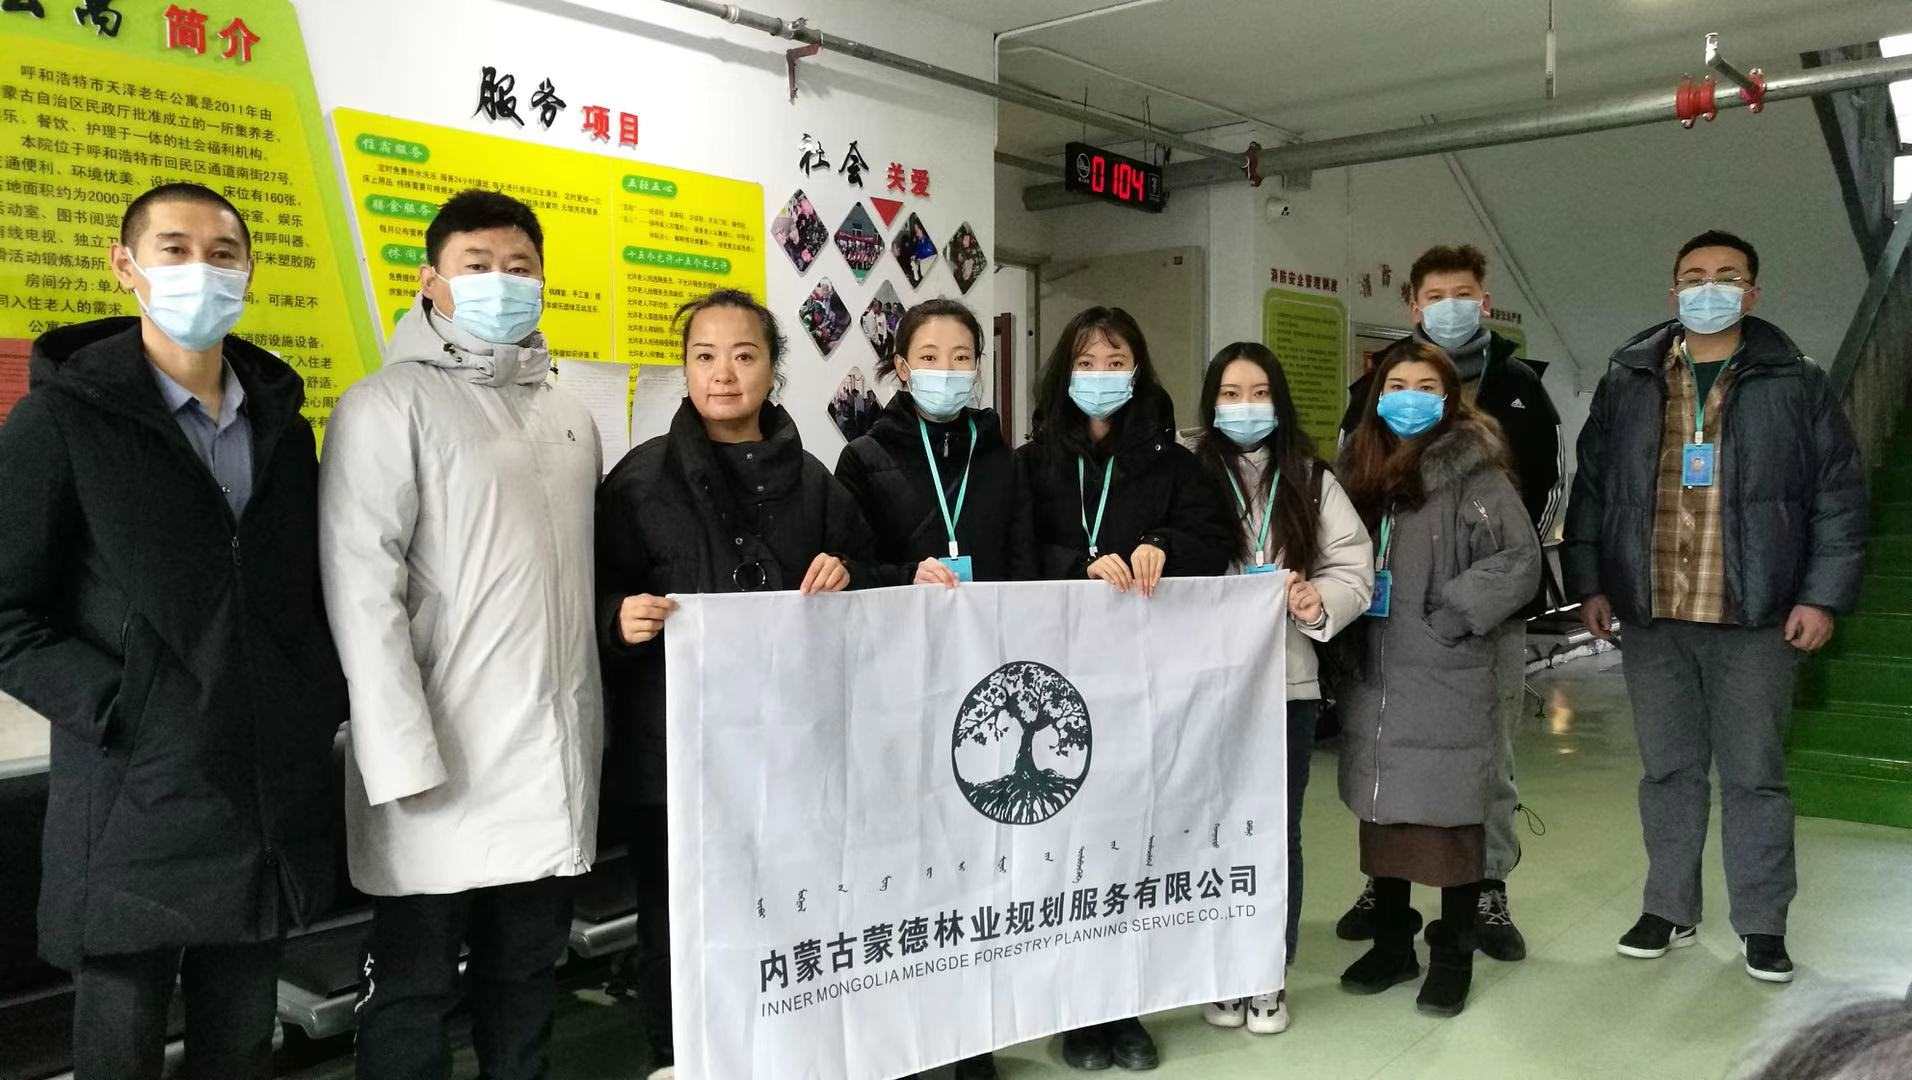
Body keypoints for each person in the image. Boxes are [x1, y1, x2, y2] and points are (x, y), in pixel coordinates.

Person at [0, 182, 346, 1079]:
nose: (202, 270)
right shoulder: (61, 421)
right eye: (175, 249)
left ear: (249, 272)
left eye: (223, 254)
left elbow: (303, 592)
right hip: (133, 799)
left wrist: (315, 699)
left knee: (241, 1047)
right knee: (119, 1053)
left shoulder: (282, 430)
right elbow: (7, 614)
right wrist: (123, 707)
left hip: (261, 794)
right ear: (126, 266)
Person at [320, 189, 604, 1080]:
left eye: (520, 267)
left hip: (548, 758)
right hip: (439, 758)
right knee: (413, 987)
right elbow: (362, 593)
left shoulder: (568, 412)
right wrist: (401, 757)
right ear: (431, 282)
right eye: (477, 266)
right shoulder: (385, 405)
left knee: (525, 975)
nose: (501, 282)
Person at [1564, 230, 1866, 984]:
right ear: (1673, 290)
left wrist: (1821, 596)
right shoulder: (1629, 378)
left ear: (1752, 293)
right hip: (1655, 613)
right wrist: (1591, 582)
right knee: (1667, 773)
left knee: (1755, 777)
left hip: (1754, 616)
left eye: (1727, 276)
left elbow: (1837, 496)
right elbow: (1593, 487)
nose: (1709, 288)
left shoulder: (1797, 381)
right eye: (1694, 276)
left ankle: (1762, 923)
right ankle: (1668, 908)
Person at [596, 288, 878, 1080]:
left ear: (773, 370)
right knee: (676, 916)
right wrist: (615, 618)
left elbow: (876, 582)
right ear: (686, 370)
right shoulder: (639, 482)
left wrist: (848, 573)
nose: (723, 373)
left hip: (791, 751)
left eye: (744, 355)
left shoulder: (816, 484)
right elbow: (588, 591)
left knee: (790, 903)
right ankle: (679, 1055)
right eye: (705, 356)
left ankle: (788, 1051)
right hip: (673, 752)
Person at [1018, 306, 1235, 1071]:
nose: (1101, 377)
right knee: (1064, 853)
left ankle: (1127, 1006)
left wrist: (1161, 545)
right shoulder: (1032, 463)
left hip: (1147, 684)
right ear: (1063, 372)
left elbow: (1215, 541)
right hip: (1057, 684)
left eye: (1116, 363)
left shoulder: (1174, 464)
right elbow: (1013, 552)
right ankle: (1077, 1012)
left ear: (1139, 371)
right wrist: (1076, 565)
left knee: (1132, 846)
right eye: (1087, 362)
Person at [1334, 244, 1561, 962]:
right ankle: (1385, 893)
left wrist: (1460, 605)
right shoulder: (1369, 396)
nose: (1450, 307)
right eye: (1435, 296)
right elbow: (1342, 511)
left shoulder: (1520, 388)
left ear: (1483, 300)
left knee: (1482, 761)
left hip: (1472, 624)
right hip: (1386, 623)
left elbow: (1540, 503)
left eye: (1462, 294)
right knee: (1385, 754)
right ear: (1414, 305)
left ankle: (1486, 888)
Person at [1182, 343, 1373, 1037]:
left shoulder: (1312, 478)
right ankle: (1215, 967)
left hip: (1285, 685)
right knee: (1205, 828)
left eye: (1259, 393)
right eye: (1231, 394)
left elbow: (1353, 566)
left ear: (1279, 401)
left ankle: (1266, 970)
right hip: (1200, 687)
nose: (1245, 407)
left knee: (1274, 831)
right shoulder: (1186, 470)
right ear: (1211, 403)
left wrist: (1318, 602)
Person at [838, 297, 1036, 593]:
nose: (947, 370)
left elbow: (1024, 565)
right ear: (903, 367)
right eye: (929, 357)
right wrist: (907, 576)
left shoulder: (1003, 458)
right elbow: (850, 568)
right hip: (902, 619)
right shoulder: (863, 459)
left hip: (988, 619)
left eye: (961, 357)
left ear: (977, 367)